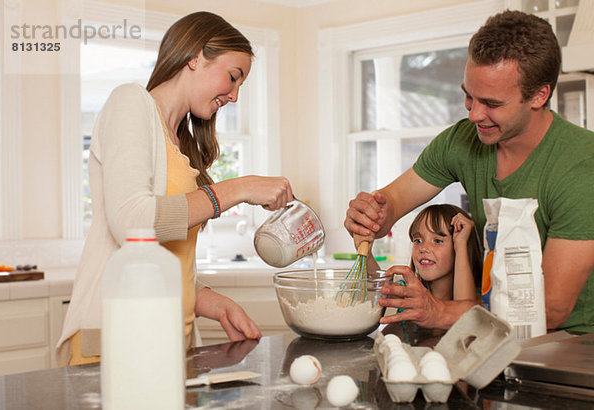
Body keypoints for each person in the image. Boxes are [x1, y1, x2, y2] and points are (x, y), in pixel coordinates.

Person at [57, 11, 294, 366]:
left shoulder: (178, 143)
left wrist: (208, 299)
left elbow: (163, 258)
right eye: (233, 77)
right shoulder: (130, 102)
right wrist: (238, 189)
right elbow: (132, 223)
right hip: (119, 342)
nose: (234, 96)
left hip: (166, 341)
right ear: (194, 57)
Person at [345, 10, 594, 332]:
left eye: (491, 103)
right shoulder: (462, 140)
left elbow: (552, 308)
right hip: (495, 334)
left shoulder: (581, 166)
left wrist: (438, 311)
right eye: (468, 95)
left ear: (539, 95)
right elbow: (391, 201)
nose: (474, 114)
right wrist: (371, 215)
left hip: (572, 347)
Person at [362, 205, 482, 303]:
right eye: (418, 241)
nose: (424, 248)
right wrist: (366, 254)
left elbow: (465, 315)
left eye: (438, 241)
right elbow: (379, 288)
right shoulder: (409, 291)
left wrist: (461, 244)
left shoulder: (477, 297)